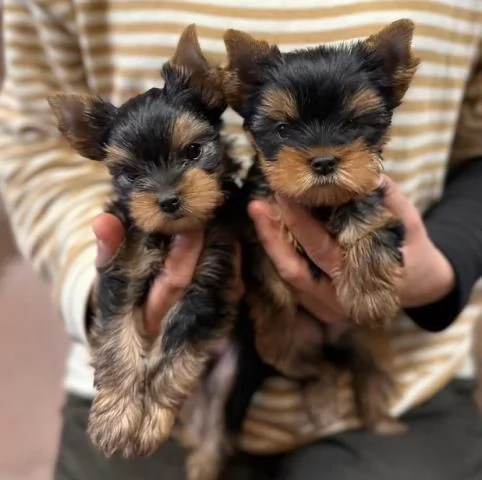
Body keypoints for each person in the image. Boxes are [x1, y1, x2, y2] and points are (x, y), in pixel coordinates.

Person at [1, 1, 482, 478]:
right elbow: (31, 141)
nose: (321, 154)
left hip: (410, 371)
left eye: (357, 124)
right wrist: (94, 288)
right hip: (152, 385)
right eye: (282, 128)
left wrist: (446, 268)